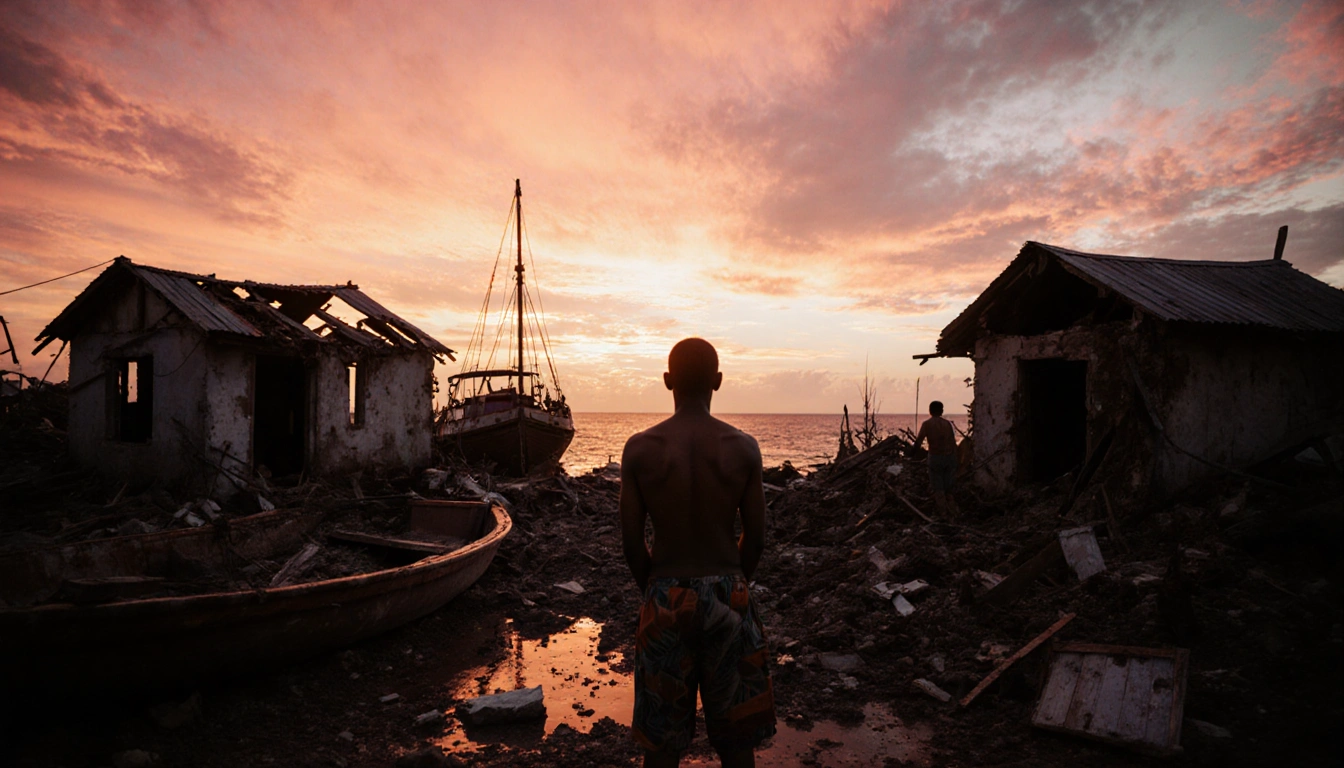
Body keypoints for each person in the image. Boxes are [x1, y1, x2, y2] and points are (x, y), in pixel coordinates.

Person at [619, 338, 776, 768]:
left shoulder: (639, 449)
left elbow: (632, 542)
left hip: (664, 593)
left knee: (662, 748)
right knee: (737, 741)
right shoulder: (743, 448)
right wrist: (732, 584)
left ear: (667, 381)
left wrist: (657, 588)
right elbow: (757, 538)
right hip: (729, 592)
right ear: (719, 382)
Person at [913, 400, 960, 517]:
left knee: (938, 488)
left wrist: (912, 453)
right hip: (949, 457)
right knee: (948, 488)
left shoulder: (927, 424)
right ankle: (954, 513)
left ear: (930, 411)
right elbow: (953, 443)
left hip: (935, 458)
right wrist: (956, 459)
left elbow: (919, 441)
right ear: (942, 411)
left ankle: (943, 514)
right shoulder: (947, 424)